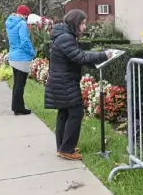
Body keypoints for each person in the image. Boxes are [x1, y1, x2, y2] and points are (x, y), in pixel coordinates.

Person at [45, 9, 112, 161]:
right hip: (64, 82)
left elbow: (75, 57)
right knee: (76, 113)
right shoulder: (66, 38)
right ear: (75, 23)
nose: (84, 27)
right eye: (82, 23)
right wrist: (103, 55)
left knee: (64, 113)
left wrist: (95, 60)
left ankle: (63, 147)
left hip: (61, 81)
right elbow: (80, 57)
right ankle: (67, 149)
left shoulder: (64, 36)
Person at [6, 5, 35, 116]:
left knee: (16, 84)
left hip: (13, 55)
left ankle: (16, 106)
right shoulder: (22, 24)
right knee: (20, 84)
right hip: (22, 57)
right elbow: (25, 41)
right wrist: (32, 52)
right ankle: (19, 108)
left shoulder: (9, 23)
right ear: (24, 14)